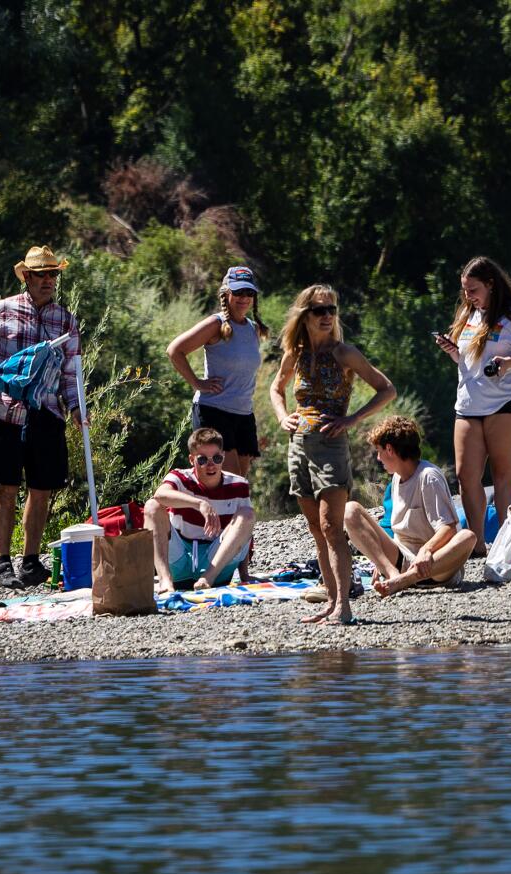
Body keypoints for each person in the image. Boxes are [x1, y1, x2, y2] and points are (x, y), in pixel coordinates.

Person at [0, 245, 86, 590]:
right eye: (41, 275)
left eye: (53, 274)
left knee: (43, 488)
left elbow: (71, 373)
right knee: (6, 486)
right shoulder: (2, 310)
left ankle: (30, 562)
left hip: (47, 412)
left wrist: (76, 409)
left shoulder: (66, 320)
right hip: (5, 411)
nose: (48, 280)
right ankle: (3, 563)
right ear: (26, 277)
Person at [268, 284, 396, 626]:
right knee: (315, 527)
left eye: (331, 310)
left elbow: (387, 389)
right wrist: (282, 416)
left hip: (330, 446)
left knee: (331, 526)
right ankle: (331, 599)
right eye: (319, 311)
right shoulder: (294, 353)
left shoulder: (345, 353)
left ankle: (345, 606)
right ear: (304, 315)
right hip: (299, 445)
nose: (327, 316)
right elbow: (276, 388)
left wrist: (352, 418)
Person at [432, 255, 511, 548]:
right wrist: (452, 351)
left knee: (502, 473)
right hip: (469, 403)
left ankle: (510, 542)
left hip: (507, 402)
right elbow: (467, 360)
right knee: (465, 475)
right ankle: (475, 542)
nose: (468, 296)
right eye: (465, 290)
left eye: (473, 290)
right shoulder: (468, 315)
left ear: (491, 285)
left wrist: (509, 362)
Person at [344, 415, 480, 597]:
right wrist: (380, 560)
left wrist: (426, 550)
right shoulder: (396, 478)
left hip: (436, 566)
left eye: (379, 451)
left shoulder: (428, 477)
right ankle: (393, 575)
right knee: (350, 510)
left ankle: (405, 580)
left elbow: (448, 528)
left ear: (390, 449)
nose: (378, 458)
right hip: (403, 559)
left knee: (468, 536)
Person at [166, 265, 268, 482]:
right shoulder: (216, 324)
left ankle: (219, 515)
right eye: (238, 292)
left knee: (237, 482)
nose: (244, 298)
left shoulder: (253, 328)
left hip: (243, 414)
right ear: (226, 293)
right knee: (230, 480)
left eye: (249, 293)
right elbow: (175, 350)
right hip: (214, 411)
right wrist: (197, 383)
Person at [145, 427, 255, 595]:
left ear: (223, 457)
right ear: (192, 459)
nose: (211, 465)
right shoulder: (179, 477)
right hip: (180, 560)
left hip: (217, 565)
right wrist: (199, 504)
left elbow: (245, 532)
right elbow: (160, 495)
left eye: (216, 458)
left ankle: (207, 579)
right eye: (203, 459)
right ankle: (165, 581)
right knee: (152, 506)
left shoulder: (238, 485)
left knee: (247, 513)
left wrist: (244, 575)